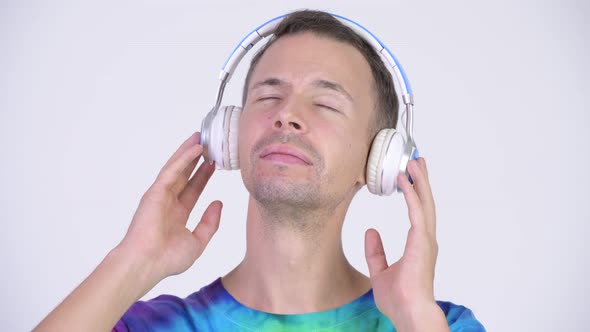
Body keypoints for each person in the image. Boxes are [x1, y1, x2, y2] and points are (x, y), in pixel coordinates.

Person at [34, 10, 485, 332]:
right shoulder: (158, 326)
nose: (287, 115)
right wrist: (134, 261)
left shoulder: (439, 324)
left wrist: (413, 319)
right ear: (229, 134)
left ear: (378, 160)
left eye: (325, 103)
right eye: (269, 96)